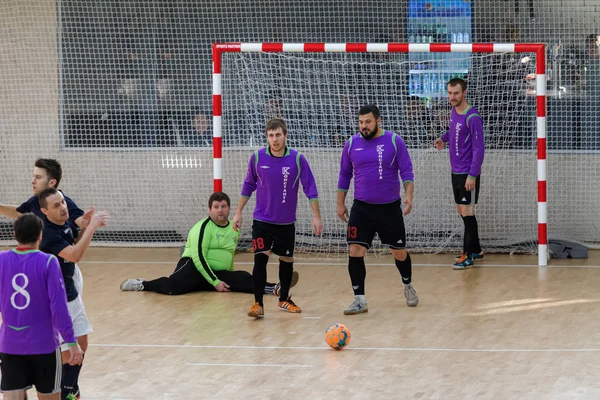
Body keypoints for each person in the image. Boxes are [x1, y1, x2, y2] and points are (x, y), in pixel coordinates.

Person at [120, 192, 298, 296]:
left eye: (223, 206)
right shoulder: (203, 227)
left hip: (215, 272)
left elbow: (228, 255)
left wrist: (227, 276)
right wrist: (215, 282)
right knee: (172, 288)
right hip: (193, 267)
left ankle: (276, 288)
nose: (220, 210)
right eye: (216, 207)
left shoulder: (234, 228)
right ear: (209, 210)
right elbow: (198, 256)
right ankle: (142, 284)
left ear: (229, 209)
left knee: (241, 278)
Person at [233, 118, 322, 319]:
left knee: (286, 259)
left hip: (286, 223)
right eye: (271, 136)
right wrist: (238, 212)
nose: (274, 139)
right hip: (262, 221)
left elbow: (311, 189)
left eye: (278, 135)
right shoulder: (257, 158)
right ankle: (258, 304)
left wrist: (316, 217)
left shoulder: (298, 159)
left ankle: (284, 299)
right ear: (267, 137)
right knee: (260, 259)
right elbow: (248, 185)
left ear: (285, 135)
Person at [337, 104, 418, 315]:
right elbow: (345, 175)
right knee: (355, 250)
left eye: (368, 122)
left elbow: (407, 171)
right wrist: (340, 203)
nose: (364, 126)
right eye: (361, 122)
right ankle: (359, 299)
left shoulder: (394, 141)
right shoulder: (351, 144)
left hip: (389, 208)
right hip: (361, 208)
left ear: (378, 121)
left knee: (399, 252)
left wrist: (408, 196)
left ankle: (407, 285)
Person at [0, 213, 83, 400]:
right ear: (40, 235)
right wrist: (71, 341)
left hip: (10, 345)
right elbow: (59, 307)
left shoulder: (2, 260)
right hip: (44, 346)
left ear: (15, 234)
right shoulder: (48, 262)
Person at [39, 188, 109, 400]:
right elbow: (75, 254)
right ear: (44, 211)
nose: (62, 208)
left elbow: (75, 240)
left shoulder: (66, 223)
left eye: (62, 202)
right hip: (55, 298)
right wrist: (92, 228)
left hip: (70, 290)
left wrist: (84, 228)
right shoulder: (48, 234)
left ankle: (69, 387)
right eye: (56, 206)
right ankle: (59, 387)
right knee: (67, 349)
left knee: (82, 341)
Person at [434, 78, 485, 269]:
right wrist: (443, 138)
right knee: (462, 211)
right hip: (455, 171)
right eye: (449, 93)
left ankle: (467, 256)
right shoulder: (454, 112)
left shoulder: (473, 118)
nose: (452, 97)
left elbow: (479, 150)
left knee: (467, 211)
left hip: (467, 173)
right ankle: (477, 249)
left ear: (464, 92)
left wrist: (472, 175)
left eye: (456, 93)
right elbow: (454, 131)